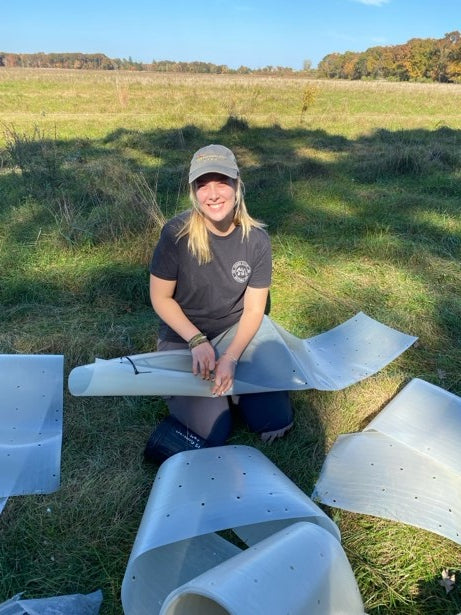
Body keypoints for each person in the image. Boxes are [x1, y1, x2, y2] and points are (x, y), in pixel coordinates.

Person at [144, 144, 293, 463]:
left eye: (222, 181)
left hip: (232, 334)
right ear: (193, 191)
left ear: (238, 185)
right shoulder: (175, 234)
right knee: (214, 429)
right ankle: (200, 397)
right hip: (183, 339)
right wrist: (196, 340)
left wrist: (231, 357)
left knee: (276, 421)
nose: (213, 193)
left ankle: (232, 385)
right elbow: (160, 297)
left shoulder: (257, 240)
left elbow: (254, 310)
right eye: (203, 184)